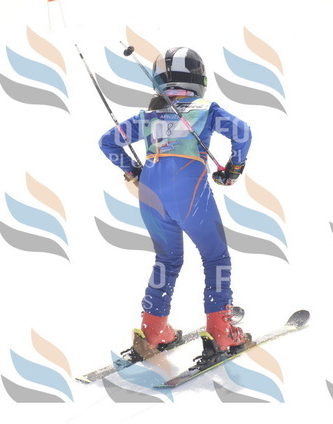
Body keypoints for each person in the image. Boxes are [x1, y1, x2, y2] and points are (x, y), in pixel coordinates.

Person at [99, 47, 252, 358]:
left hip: (150, 196)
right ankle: (221, 331)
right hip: (189, 194)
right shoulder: (206, 109)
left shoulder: (149, 116)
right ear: (198, 78)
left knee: (167, 260)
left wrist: (133, 172)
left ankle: (153, 330)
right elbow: (242, 132)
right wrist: (234, 168)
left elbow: (107, 141)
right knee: (216, 257)